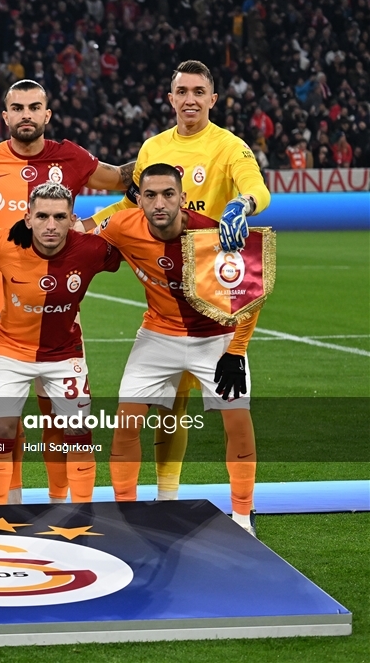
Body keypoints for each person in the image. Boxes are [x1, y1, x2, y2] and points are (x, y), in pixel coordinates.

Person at [0, 78, 135, 505]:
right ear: (5, 116)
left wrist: (171, 153)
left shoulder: (70, 156)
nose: (26, 115)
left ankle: (58, 501)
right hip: (0, 307)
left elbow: (122, 179)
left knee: (59, 415)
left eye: (34, 107)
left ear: (47, 114)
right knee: (4, 420)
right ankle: (9, 505)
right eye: (18, 108)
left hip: (60, 308)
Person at [91, 60, 271, 502]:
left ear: (213, 99)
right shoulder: (153, 147)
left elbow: (258, 189)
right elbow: (130, 204)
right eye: (182, 92)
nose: (190, 99)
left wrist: (241, 205)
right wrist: (87, 225)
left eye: (199, 92)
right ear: (171, 99)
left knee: (222, 410)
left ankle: (241, 510)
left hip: (215, 293)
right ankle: (166, 498)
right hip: (165, 291)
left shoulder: (229, 147)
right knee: (169, 406)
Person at [96, 163, 259, 535]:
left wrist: (236, 351)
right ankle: (128, 514)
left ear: (182, 198)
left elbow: (251, 295)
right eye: (150, 195)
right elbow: (85, 243)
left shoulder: (213, 235)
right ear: (138, 200)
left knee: (237, 421)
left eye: (168, 194)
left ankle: (243, 517)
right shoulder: (121, 226)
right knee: (125, 424)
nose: (159, 203)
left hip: (217, 338)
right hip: (158, 335)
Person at [0, 181, 121, 504]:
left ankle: (78, 513)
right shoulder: (2, 244)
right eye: (42, 216)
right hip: (10, 352)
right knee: (2, 430)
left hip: (64, 355)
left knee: (78, 432)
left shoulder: (92, 250)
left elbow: (131, 250)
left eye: (59, 217)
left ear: (72, 219)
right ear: (27, 219)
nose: (50, 225)